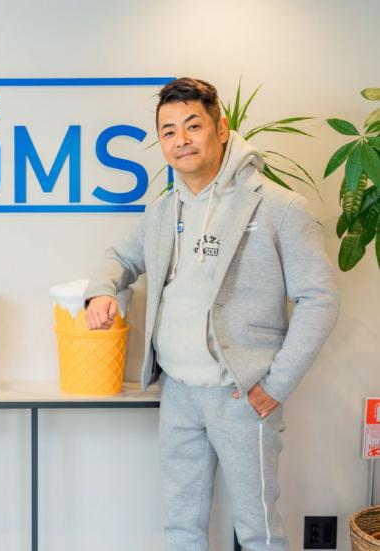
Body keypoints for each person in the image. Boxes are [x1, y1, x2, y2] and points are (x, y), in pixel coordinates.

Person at [84, 78, 339, 550]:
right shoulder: (163, 211)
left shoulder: (279, 207)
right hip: (178, 390)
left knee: (259, 530)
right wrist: (101, 292)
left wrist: (275, 385)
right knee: (181, 526)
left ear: (221, 130)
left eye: (193, 125)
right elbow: (119, 257)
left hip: (241, 392)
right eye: (168, 131)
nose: (180, 139)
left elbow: (320, 298)